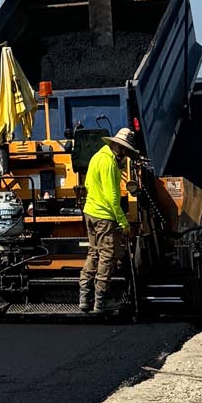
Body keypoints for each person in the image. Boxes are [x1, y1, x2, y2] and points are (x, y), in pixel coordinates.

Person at [80, 128, 140, 313]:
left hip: (90, 212)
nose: (124, 154)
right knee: (107, 255)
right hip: (104, 216)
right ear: (117, 147)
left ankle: (84, 298)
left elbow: (87, 184)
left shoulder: (96, 157)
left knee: (93, 253)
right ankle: (101, 301)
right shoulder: (110, 163)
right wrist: (123, 222)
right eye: (124, 150)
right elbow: (113, 198)